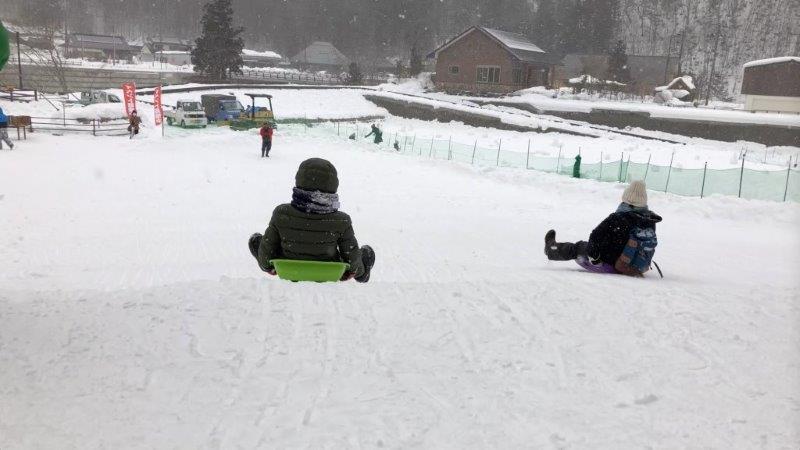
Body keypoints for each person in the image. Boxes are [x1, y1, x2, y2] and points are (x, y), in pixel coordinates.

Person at [248, 158, 376, 282]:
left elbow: (266, 257)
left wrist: (266, 266)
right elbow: (352, 261)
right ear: (334, 185)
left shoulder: (281, 213)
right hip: (328, 271)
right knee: (366, 253)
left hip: (289, 268)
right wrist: (355, 271)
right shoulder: (342, 220)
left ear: (299, 180)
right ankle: (363, 276)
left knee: (256, 241)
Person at [544, 180, 662, 277]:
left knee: (578, 247)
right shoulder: (649, 220)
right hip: (633, 265)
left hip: (610, 262)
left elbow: (595, 236)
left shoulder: (617, 218)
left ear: (626, 199)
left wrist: (595, 258)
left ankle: (551, 249)